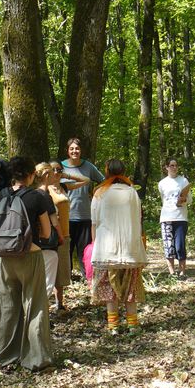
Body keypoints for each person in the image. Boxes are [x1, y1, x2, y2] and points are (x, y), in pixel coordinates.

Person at [0, 156, 53, 372]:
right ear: (31, 174)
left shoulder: (2, 196)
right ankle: (35, 358)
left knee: (5, 306)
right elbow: (46, 232)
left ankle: (2, 354)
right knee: (34, 305)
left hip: (4, 258)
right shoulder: (37, 197)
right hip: (29, 255)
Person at [91, 159, 147, 335]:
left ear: (106, 172)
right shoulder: (132, 192)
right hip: (130, 248)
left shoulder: (100, 192)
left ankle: (113, 326)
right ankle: (133, 324)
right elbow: (138, 219)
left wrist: (94, 245)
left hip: (106, 249)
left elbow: (95, 221)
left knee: (109, 288)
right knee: (130, 286)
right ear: (124, 172)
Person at [48, 160, 89, 310]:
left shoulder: (64, 187)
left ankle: (59, 303)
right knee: (49, 271)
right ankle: (44, 303)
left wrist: (65, 174)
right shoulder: (45, 189)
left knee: (62, 271)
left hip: (65, 234)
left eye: (59, 170)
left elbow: (86, 180)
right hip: (50, 236)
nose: (57, 173)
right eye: (54, 170)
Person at [60, 137, 104, 278]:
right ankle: (67, 276)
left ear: (81, 150)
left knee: (84, 249)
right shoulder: (59, 167)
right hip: (65, 215)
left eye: (77, 148)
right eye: (72, 148)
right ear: (67, 150)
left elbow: (103, 181)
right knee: (66, 249)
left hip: (85, 214)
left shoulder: (88, 166)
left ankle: (87, 277)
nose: (75, 151)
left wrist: (94, 192)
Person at [158, 157, 192, 278]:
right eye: (171, 165)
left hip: (181, 217)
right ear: (166, 167)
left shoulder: (183, 181)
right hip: (166, 217)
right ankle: (172, 273)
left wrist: (184, 199)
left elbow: (190, 199)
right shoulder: (162, 183)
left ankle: (182, 272)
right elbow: (163, 199)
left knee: (180, 245)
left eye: (176, 165)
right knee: (168, 246)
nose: (174, 168)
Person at [34, 163, 62, 300]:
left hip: (35, 244)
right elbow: (54, 222)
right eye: (51, 173)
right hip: (48, 245)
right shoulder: (45, 196)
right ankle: (41, 317)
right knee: (47, 282)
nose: (54, 176)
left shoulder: (31, 194)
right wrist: (61, 237)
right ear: (46, 175)